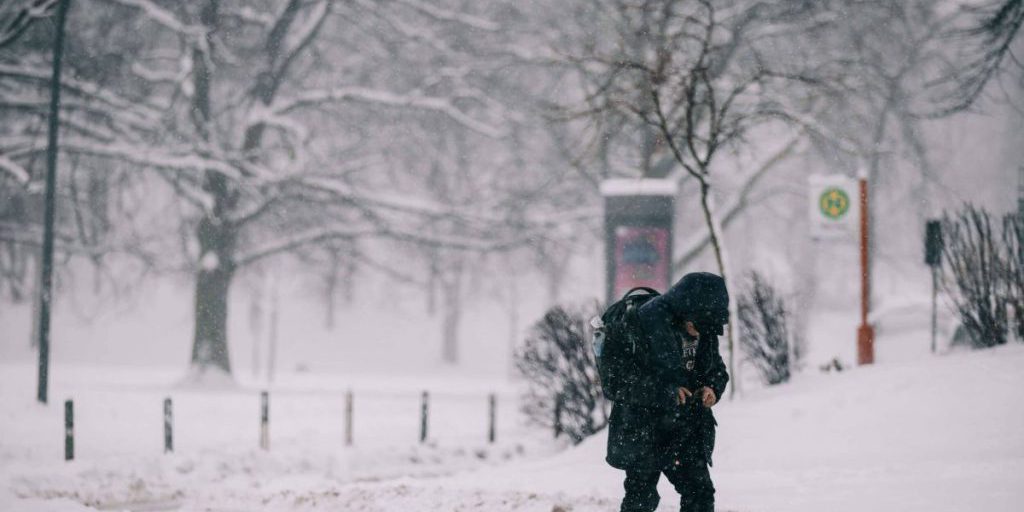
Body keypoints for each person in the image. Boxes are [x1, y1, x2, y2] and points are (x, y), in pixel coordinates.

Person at [605, 272, 730, 512]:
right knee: (641, 499)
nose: (700, 333)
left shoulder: (705, 331)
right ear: (684, 311)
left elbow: (717, 370)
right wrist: (664, 391)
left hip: (686, 426)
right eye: (698, 325)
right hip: (642, 428)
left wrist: (712, 388)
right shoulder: (638, 326)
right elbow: (617, 382)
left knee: (700, 494)